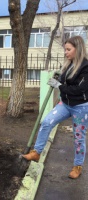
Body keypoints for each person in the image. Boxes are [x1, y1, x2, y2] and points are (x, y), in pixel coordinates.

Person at [22, 35, 88, 179]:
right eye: (65, 49)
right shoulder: (69, 63)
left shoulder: (86, 67)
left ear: (78, 49)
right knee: (46, 122)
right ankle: (37, 153)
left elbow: (79, 90)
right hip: (65, 104)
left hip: (81, 107)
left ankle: (77, 166)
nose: (66, 52)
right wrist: (58, 77)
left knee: (78, 138)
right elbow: (64, 80)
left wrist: (60, 86)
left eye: (68, 49)